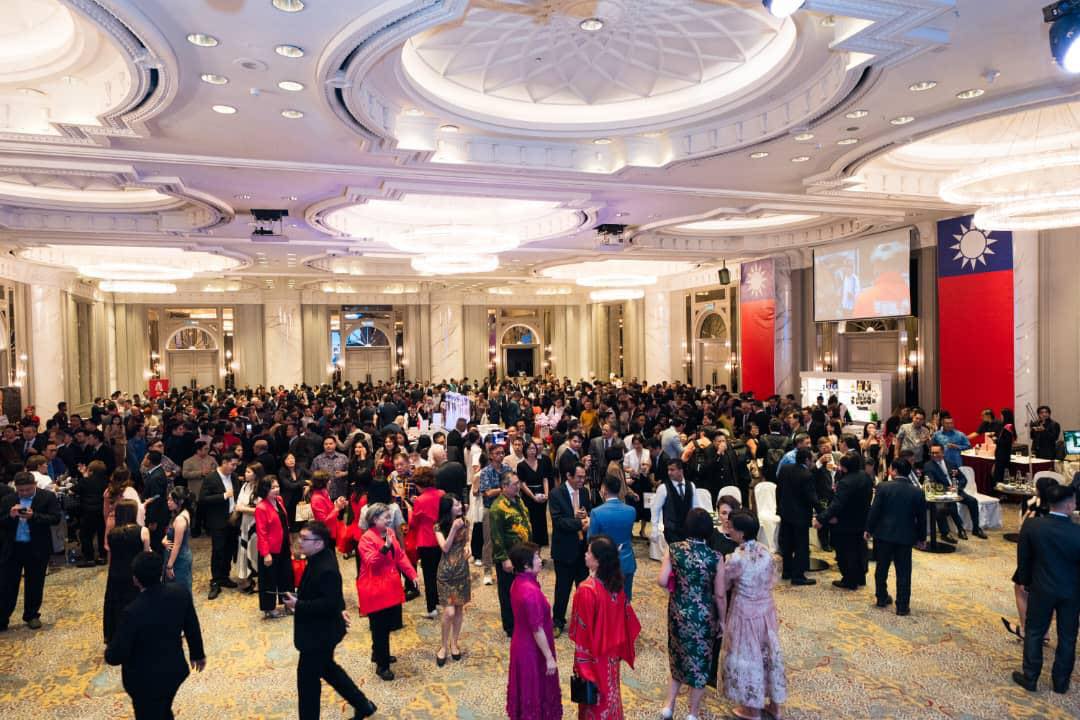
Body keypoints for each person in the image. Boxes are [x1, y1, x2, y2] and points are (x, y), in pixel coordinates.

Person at [283, 521, 377, 720]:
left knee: (307, 683)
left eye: (304, 538)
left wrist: (298, 605)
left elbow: (328, 603)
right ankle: (364, 705)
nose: (299, 541)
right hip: (322, 631)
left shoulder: (325, 568)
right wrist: (339, 608)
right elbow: (332, 595)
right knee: (328, 669)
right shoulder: (320, 556)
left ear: (319, 543)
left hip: (319, 636)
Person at [105, 552, 206, 720]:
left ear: (135, 579)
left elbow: (115, 656)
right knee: (163, 710)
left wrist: (109, 650)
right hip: (174, 670)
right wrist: (197, 653)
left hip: (144, 682)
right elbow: (192, 626)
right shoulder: (180, 592)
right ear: (160, 572)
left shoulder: (132, 612)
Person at [1011, 483, 1080, 694]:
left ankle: (1030, 678)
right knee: (1068, 637)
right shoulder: (1077, 531)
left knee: (1034, 632)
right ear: (1069, 505)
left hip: (1041, 588)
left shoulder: (1033, 526)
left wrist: (1025, 582)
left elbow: (1023, 557)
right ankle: (1061, 683)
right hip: (1072, 592)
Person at [658, 508, 726, 720]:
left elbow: (661, 580)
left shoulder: (674, 549)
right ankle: (692, 713)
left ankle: (668, 706)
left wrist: (678, 586)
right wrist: (723, 620)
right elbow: (720, 594)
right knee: (700, 663)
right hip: (704, 615)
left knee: (677, 656)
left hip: (678, 611)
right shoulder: (715, 557)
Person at [722, 511, 787, 720]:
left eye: (731, 527)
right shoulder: (766, 551)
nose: (729, 529)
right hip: (766, 610)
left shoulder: (736, 558)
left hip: (744, 612)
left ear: (741, 533)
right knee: (769, 653)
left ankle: (752, 709)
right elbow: (773, 578)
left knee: (748, 657)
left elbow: (723, 585)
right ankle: (775, 705)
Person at [569, 535, 641, 720]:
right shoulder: (616, 584)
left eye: (589, 552)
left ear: (598, 561)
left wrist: (582, 666)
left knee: (595, 701)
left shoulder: (587, 590)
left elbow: (582, 634)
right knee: (611, 695)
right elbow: (628, 621)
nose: (585, 555)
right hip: (612, 655)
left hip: (594, 657)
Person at [357, 502, 419, 681]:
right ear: (375, 519)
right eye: (386, 517)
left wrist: (412, 574)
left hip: (390, 586)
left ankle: (378, 653)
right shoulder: (366, 539)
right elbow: (371, 562)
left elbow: (400, 556)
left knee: (386, 625)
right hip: (375, 588)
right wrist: (385, 547)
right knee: (379, 627)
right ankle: (382, 666)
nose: (390, 519)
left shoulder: (389, 532)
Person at [506, 541, 562, 720]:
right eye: (536, 557)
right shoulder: (530, 591)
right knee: (535, 690)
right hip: (532, 650)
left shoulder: (519, 582)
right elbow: (537, 629)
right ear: (525, 565)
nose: (540, 560)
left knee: (528, 692)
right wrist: (549, 657)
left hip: (521, 644)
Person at [0, 471, 61, 631]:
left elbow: (55, 518)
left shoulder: (47, 497)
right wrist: (10, 516)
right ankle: (2, 617)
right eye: (21, 490)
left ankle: (32, 615)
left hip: (37, 547)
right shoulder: (8, 499)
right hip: (13, 548)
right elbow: (1, 522)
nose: (25, 493)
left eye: (28, 489)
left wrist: (34, 516)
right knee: (6, 584)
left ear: (34, 485)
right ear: (16, 488)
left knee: (35, 582)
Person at [866, 459, 927, 616]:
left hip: (883, 535)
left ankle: (881, 597)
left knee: (881, 568)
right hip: (905, 536)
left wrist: (869, 529)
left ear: (894, 471)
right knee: (904, 572)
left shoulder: (883, 487)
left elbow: (874, 511)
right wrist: (921, 538)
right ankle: (902, 606)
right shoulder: (917, 492)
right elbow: (921, 518)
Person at [815, 453, 873, 590]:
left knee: (845, 552)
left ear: (844, 467)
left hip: (844, 522)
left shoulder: (845, 483)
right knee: (860, 549)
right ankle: (860, 578)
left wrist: (821, 518)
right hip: (862, 519)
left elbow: (837, 505)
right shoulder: (865, 476)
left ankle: (849, 580)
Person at [550, 462, 591, 637]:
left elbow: (589, 512)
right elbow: (558, 521)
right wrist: (579, 523)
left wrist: (587, 517)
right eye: (579, 477)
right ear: (569, 476)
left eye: (584, 477)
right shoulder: (556, 494)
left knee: (584, 589)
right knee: (562, 589)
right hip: (564, 549)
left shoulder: (585, 492)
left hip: (583, 550)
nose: (582, 480)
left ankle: (583, 621)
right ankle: (558, 621)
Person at [490, 471, 532, 637]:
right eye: (514, 484)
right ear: (504, 486)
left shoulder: (518, 500)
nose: (518, 486)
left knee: (523, 589)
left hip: (523, 554)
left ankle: (523, 620)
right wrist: (504, 559)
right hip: (509, 556)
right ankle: (511, 626)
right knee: (508, 592)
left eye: (518, 483)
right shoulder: (497, 508)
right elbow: (496, 536)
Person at [103, 499, 151, 643]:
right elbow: (146, 556)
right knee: (137, 605)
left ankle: (116, 636)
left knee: (117, 606)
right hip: (135, 574)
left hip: (116, 574)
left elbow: (111, 555)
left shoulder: (112, 533)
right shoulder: (142, 531)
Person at [588, 474, 637, 601]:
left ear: (604, 489)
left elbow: (591, 539)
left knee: (605, 601)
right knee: (625, 599)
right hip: (627, 560)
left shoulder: (596, 512)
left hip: (605, 563)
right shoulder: (631, 510)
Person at [923, 443, 986, 541]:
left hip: (957, 491)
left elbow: (963, 479)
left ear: (943, 453)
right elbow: (932, 483)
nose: (934, 455)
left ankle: (976, 528)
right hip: (943, 493)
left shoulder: (951, 464)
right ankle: (960, 529)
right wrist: (947, 489)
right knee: (952, 503)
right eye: (932, 453)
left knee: (973, 501)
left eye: (937, 453)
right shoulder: (928, 466)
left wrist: (957, 487)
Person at [434, 493, 470, 666]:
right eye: (456, 505)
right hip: (446, 574)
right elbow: (445, 547)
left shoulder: (465, 522)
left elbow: (467, 541)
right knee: (449, 612)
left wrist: (469, 547)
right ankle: (443, 646)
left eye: (460, 504)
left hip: (462, 571)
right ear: (448, 509)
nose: (460, 507)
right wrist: (454, 529)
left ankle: (454, 643)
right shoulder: (438, 527)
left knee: (459, 609)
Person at [199, 454, 240, 600]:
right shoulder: (211, 478)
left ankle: (224, 576)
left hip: (233, 519)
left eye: (236, 465)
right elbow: (203, 499)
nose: (234, 467)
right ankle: (215, 581)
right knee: (218, 550)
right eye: (232, 464)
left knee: (229, 549)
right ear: (224, 462)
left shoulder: (234, 477)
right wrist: (223, 496)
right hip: (217, 521)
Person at [776, 448, 818, 586]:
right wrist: (822, 512)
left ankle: (787, 571)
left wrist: (779, 507)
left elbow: (778, 490)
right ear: (807, 460)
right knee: (801, 546)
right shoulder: (807, 475)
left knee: (787, 544)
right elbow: (811, 498)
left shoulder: (785, 469)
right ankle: (798, 576)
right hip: (800, 515)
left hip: (785, 512)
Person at [255, 475, 293, 619]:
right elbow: (261, 532)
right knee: (269, 580)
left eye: (277, 486)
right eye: (273, 488)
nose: (276, 490)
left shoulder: (279, 500)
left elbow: (285, 523)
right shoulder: (261, 507)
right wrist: (266, 554)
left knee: (287, 576)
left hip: (283, 545)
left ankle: (289, 603)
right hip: (270, 549)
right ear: (265, 490)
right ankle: (269, 608)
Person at [410, 466, 444, 618]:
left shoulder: (420, 500)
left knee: (429, 576)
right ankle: (441, 600)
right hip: (442, 539)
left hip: (426, 541)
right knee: (440, 573)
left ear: (419, 484)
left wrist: (411, 508)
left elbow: (414, 523)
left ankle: (432, 608)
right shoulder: (442, 494)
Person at [650, 459, 702, 545]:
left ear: (680, 471)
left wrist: (698, 525)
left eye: (672, 470)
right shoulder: (663, 488)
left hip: (688, 530)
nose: (669, 473)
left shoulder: (691, 486)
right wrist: (654, 529)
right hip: (671, 531)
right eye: (668, 470)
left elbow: (696, 507)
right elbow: (655, 509)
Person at [234, 461, 264, 594]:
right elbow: (239, 503)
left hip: (257, 524)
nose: (245, 474)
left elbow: (262, 509)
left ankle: (260, 580)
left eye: (248, 472)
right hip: (245, 523)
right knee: (244, 550)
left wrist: (243, 509)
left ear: (256, 474)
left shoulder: (261, 487)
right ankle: (247, 578)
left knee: (255, 552)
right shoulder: (245, 485)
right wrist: (243, 508)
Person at [517, 440, 552, 548]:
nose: (532, 451)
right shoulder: (521, 465)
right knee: (531, 520)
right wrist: (533, 497)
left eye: (533, 448)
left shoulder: (542, 462)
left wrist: (546, 494)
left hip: (541, 493)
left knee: (541, 520)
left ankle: (541, 545)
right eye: (529, 449)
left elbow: (545, 479)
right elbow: (522, 484)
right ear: (525, 450)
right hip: (529, 496)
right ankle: (531, 546)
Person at [74, 458, 108, 566]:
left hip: (88, 511)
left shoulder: (85, 481)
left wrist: (84, 477)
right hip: (102, 511)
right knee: (102, 534)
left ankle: (89, 558)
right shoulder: (106, 482)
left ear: (91, 471)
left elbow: (74, 490)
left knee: (86, 535)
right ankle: (102, 557)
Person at [162, 487, 194, 592]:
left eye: (172, 500)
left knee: (179, 590)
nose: (168, 502)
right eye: (168, 499)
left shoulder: (180, 519)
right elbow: (171, 533)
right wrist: (164, 540)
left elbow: (177, 545)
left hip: (178, 558)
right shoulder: (178, 513)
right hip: (176, 555)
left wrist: (169, 566)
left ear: (181, 501)